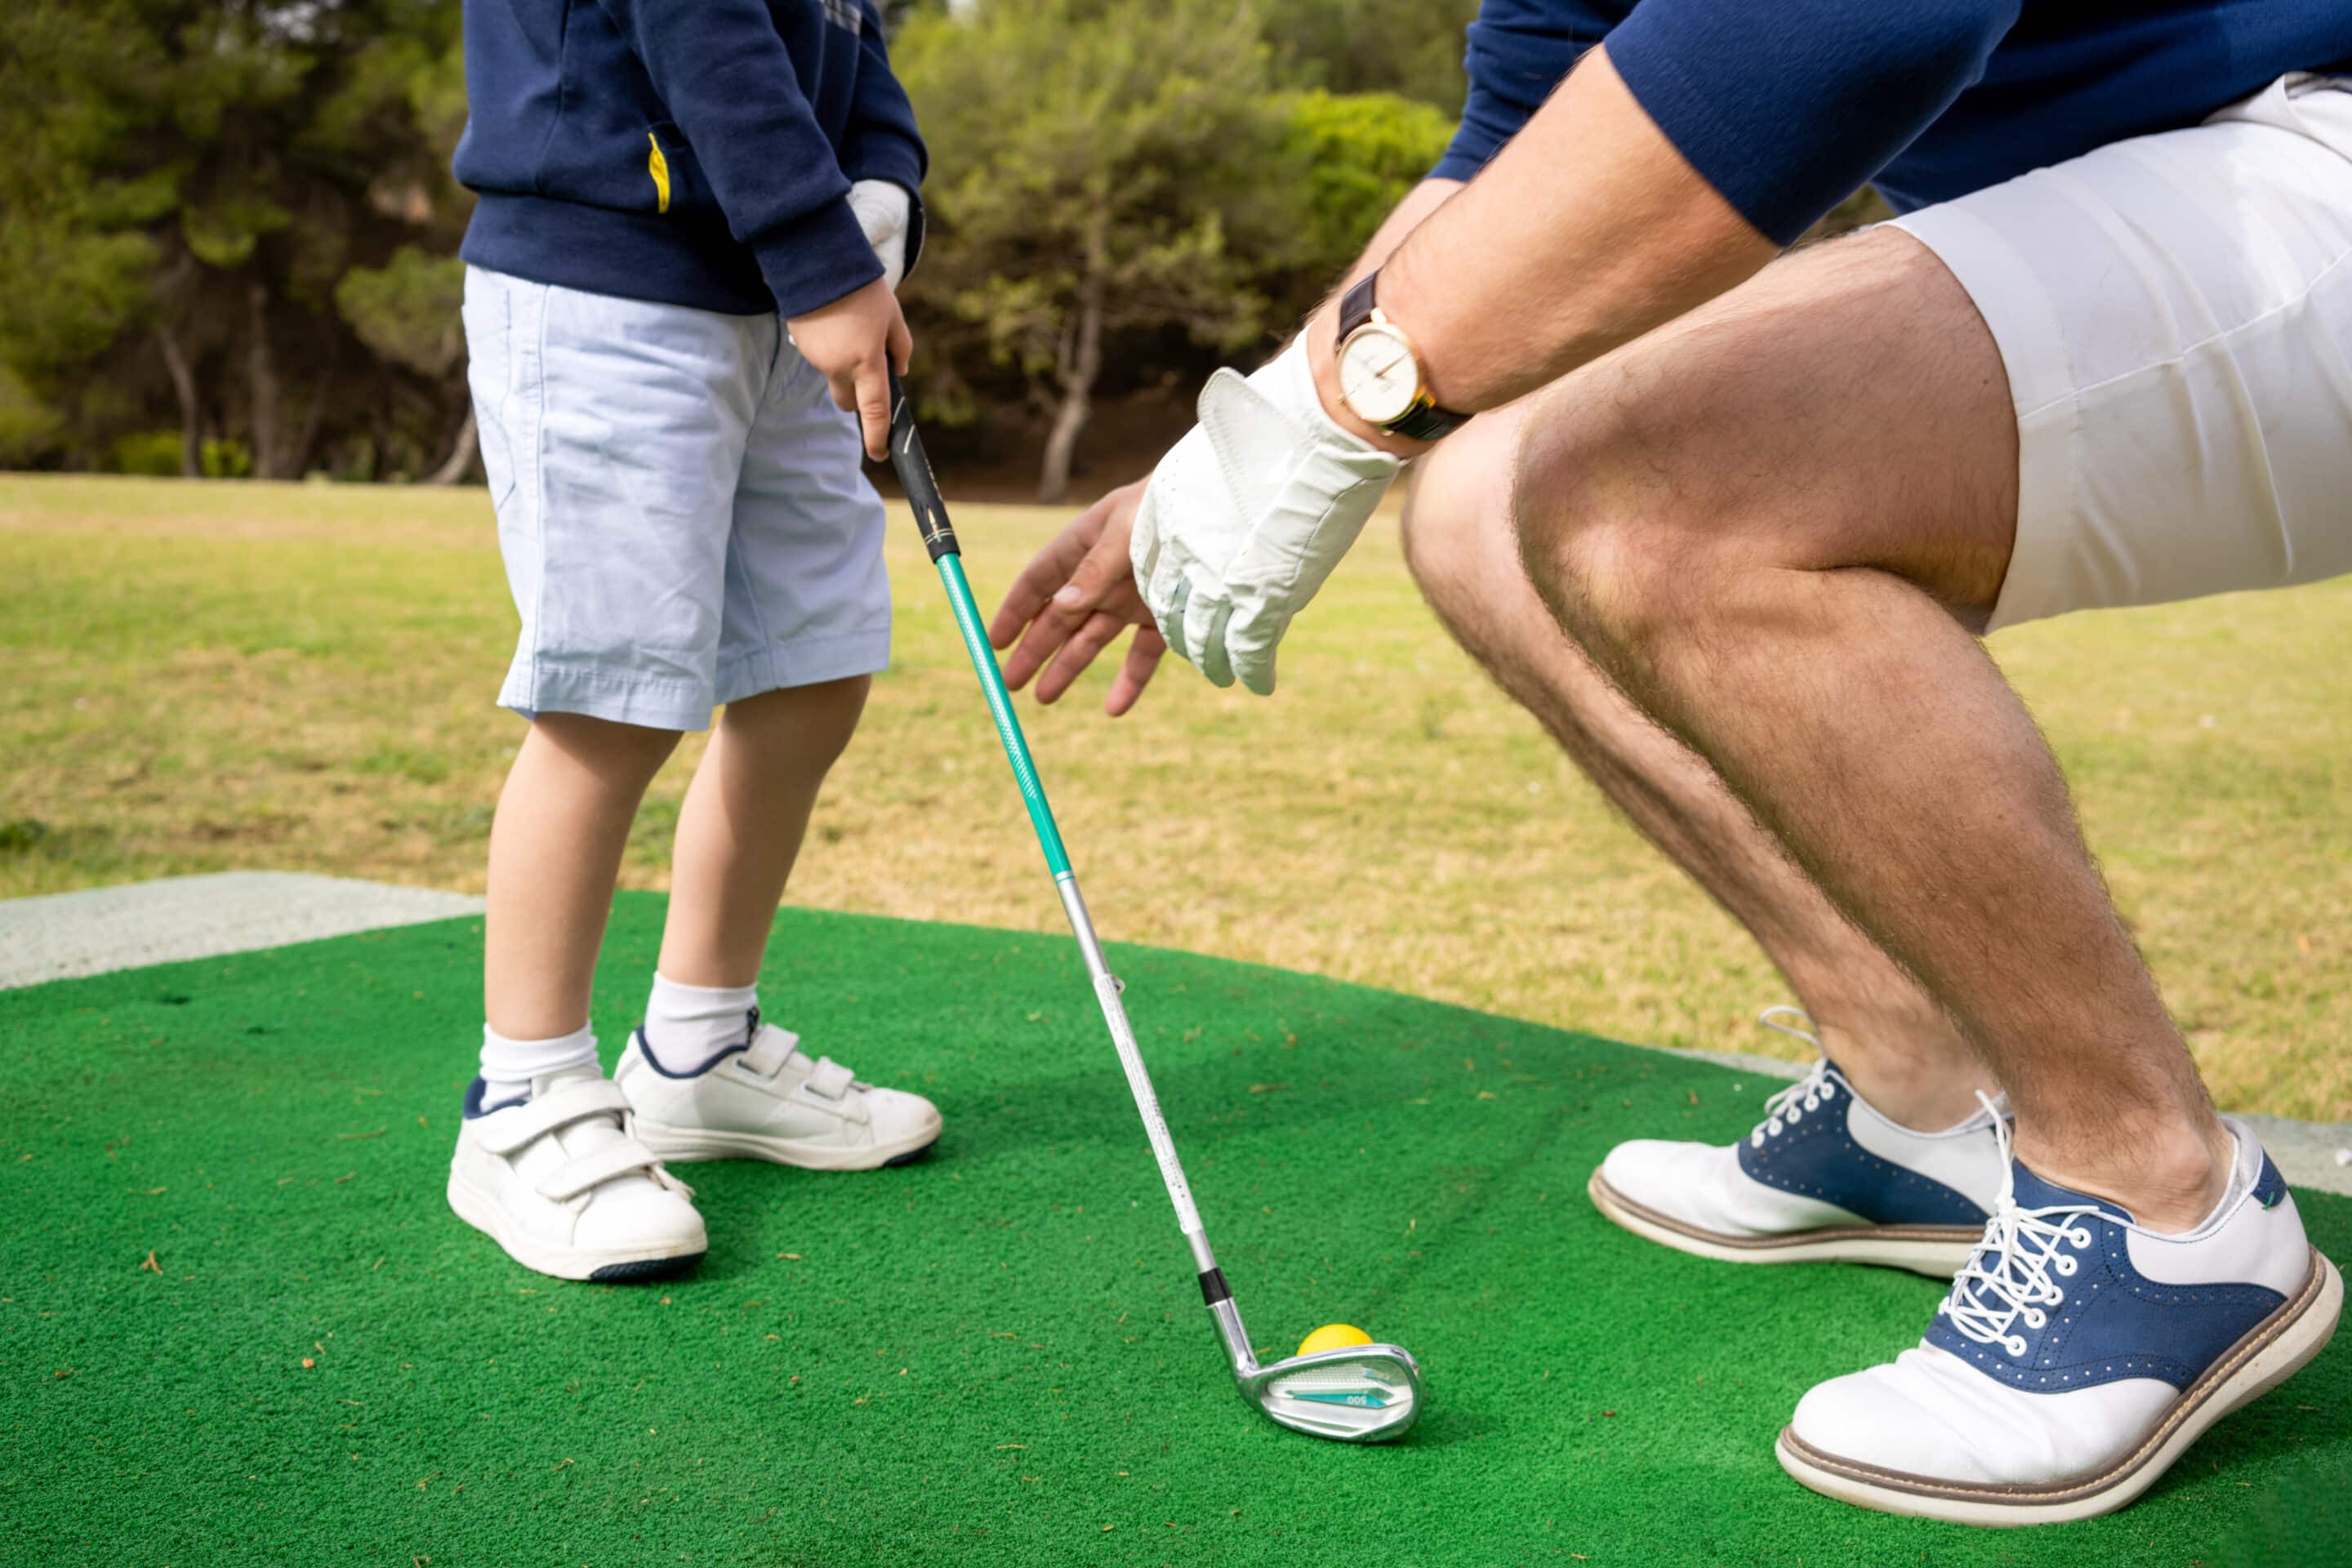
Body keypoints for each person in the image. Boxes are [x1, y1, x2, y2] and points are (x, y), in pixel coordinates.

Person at [990, 0, 2352, 1525]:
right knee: (1476, 503)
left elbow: (1861, 31)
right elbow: (1510, 162)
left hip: (2300, 144)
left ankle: (2157, 1199)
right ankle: (1911, 1097)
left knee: (1651, 492)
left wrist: (1330, 417)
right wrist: (1227, 453)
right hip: (2161, 200)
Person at [441, 0, 942, 1285]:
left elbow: (851, 40)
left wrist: (883, 187)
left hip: (780, 292)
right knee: (614, 694)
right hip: (607, 268)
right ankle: (523, 1097)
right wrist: (820, 249)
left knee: (813, 665)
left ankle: (697, 1052)